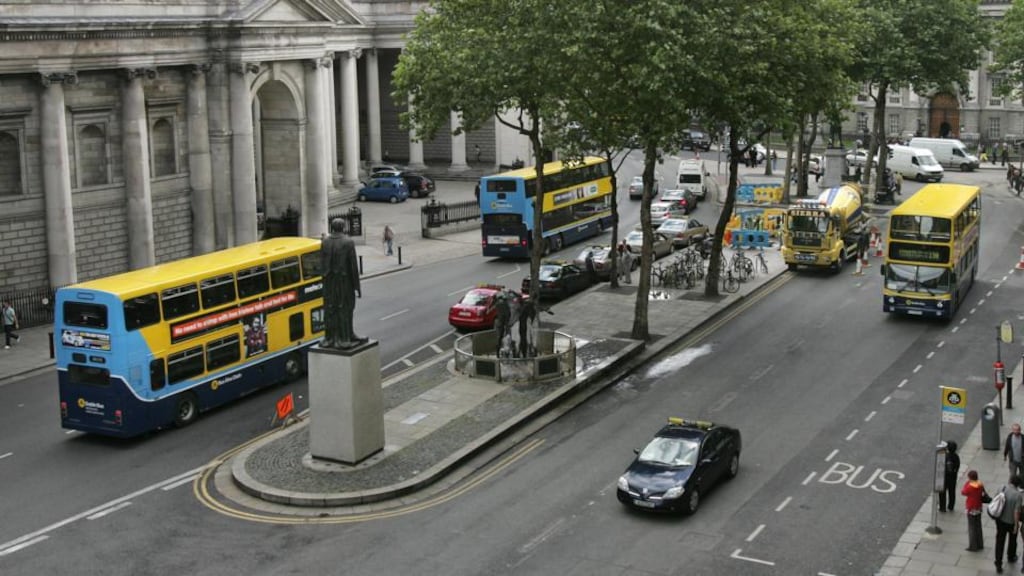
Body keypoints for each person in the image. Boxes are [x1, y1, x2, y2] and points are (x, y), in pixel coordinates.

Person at [321, 218, 364, 349]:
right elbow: (353, 267)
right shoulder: (348, 242)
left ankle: (331, 337)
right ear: (343, 227)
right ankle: (345, 338)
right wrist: (357, 287)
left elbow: (322, 264)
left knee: (330, 309)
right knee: (345, 308)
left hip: (329, 282)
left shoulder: (325, 242)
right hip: (344, 282)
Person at [994, 475, 1022, 573]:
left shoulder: (1002, 488)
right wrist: (1016, 524)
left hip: (1000, 520)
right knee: (1012, 540)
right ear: (1018, 485)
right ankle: (1011, 556)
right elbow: (1016, 511)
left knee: (1000, 541)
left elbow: (996, 500)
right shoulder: (1018, 495)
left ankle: (998, 563)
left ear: (1010, 480)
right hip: (1011, 522)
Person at [962, 469, 986, 551]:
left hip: (971, 508)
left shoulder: (969, 487)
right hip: (979, 507)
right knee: (978, 526)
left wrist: (967, 483)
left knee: (971, 527)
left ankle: (973, 546)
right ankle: (980, 544)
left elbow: (963, 492)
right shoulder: (980, 484)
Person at [939, 440, 961, 512]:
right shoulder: (956, 457)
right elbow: (957, 466)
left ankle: (942, 507)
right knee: (952, 492)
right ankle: (951, 506)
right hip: (953, 478)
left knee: (942, 493)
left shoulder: (945, 456)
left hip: (945, 477)